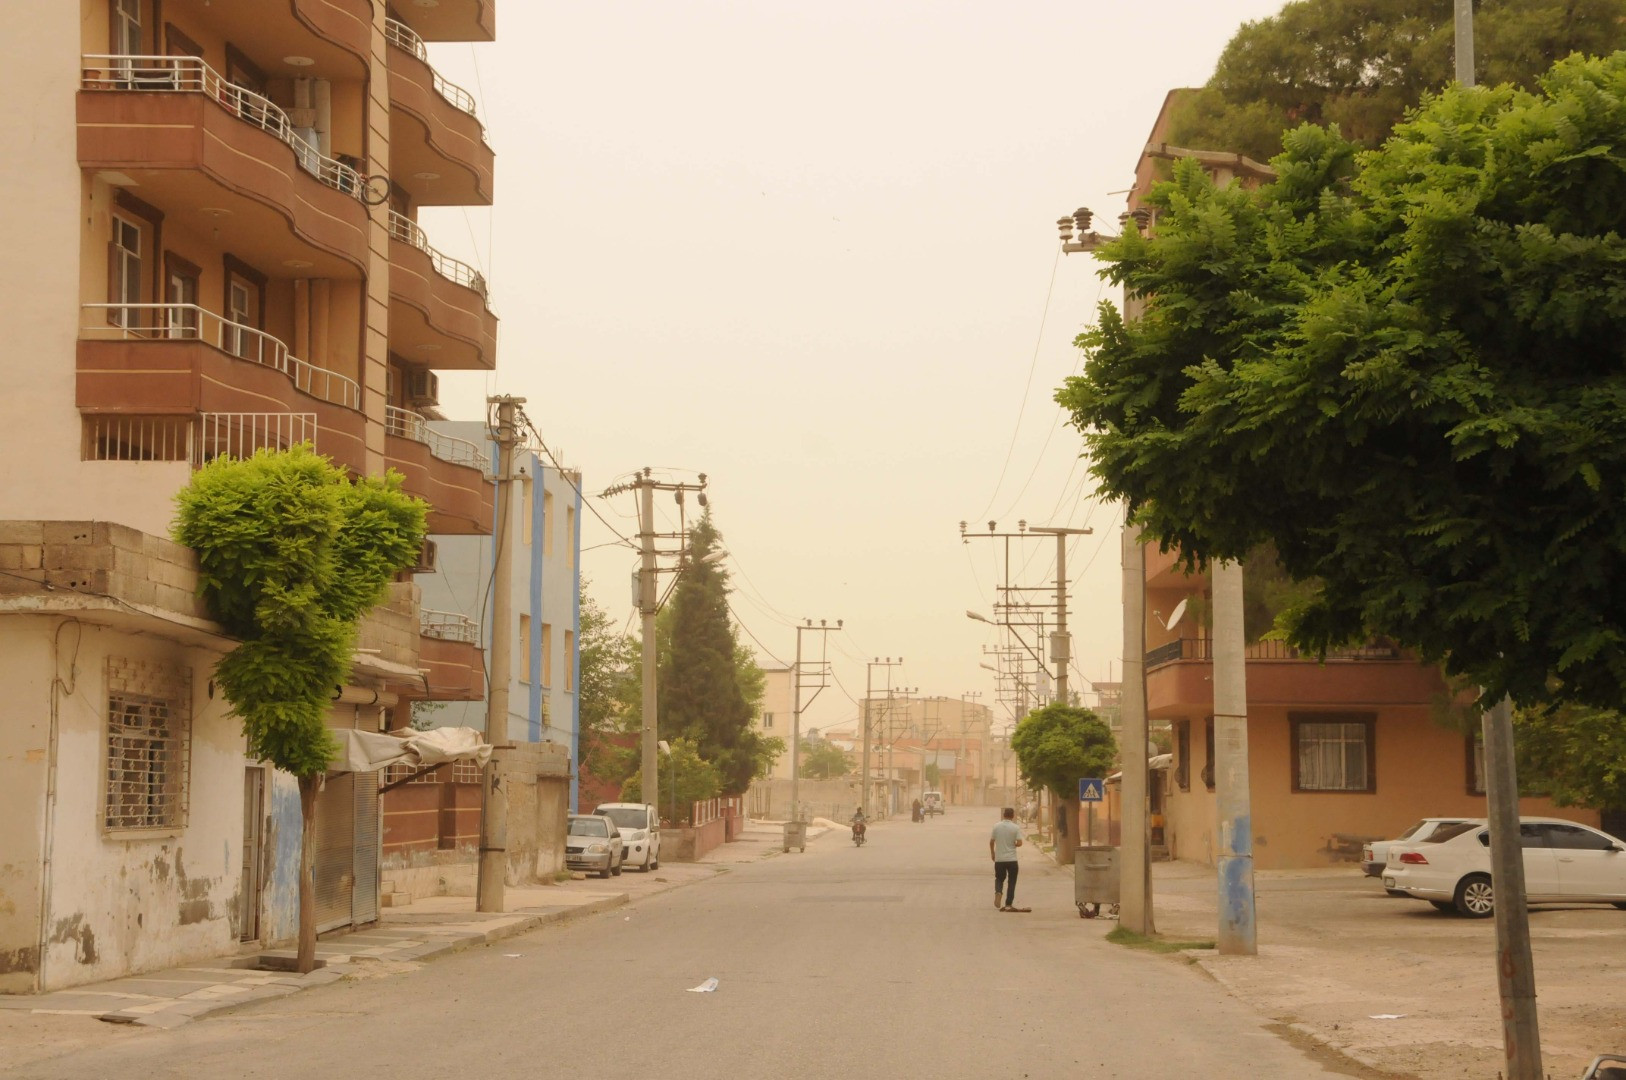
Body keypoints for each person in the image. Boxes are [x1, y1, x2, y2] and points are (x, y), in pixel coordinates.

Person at [989, 807, 1023, 911]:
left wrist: (993, 853)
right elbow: (1019, 843)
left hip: (999, 859)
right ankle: (1008, 903)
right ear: (1013, 816)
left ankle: (998, 891)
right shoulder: (1015, 828)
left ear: (1004, 815)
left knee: (999, 878)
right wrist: (1014, 844)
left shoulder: (996, 826)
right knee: (1012, 881)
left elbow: (991, 841)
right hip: (1012, 859)